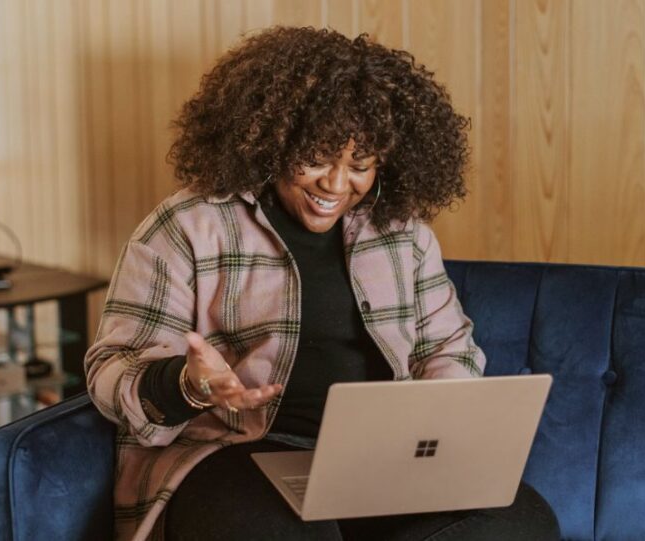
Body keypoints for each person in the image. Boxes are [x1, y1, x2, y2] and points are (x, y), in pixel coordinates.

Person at [85, 26, 559, 541]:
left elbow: (448, 349)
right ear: (272, 140)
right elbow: (111, 370)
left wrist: (437, 424)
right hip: (235, 454)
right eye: (315, 158)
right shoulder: (188, 227)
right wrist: (188, 383)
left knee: (521, 522)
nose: (335, 185)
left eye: (360, 165)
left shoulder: (405, 234)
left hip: (380, 460)